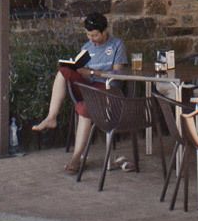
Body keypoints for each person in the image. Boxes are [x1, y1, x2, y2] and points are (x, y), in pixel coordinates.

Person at [29, 12, 126, 174]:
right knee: (63, 71)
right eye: (88, 35)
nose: (91, 39)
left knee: (84, 109)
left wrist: (92, 73)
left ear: (104, 31)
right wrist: (79, 70)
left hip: (107, 89)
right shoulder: (86, 48)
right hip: (87, 86)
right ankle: (51, 117)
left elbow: (118, 74)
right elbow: (79, 69)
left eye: (94, 35)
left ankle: (76, 158)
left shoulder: (117, 45)